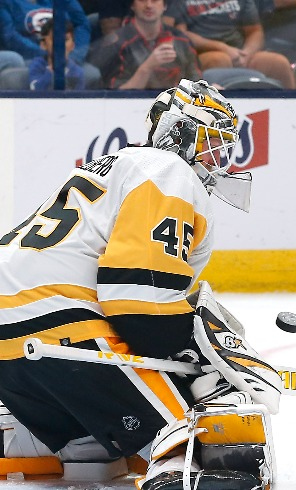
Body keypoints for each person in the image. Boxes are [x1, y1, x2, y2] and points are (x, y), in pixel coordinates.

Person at [0, 79, 280, 489]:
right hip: (61, 326)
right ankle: (176, 462)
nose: (216, 160)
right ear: (178, 133)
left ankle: (71, 443)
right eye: (209, 143)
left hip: (11, 342)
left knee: (91, 443)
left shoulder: (110, 167)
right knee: (198, 434)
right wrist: (200, 355)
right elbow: (138, 296)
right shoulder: (169, 171)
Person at [164, 0, 296, 89]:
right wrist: (222, 48)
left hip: (240, 52)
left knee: (279, 63)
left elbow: (255, 31)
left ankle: (292, 114)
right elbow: (179, 33)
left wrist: (246, 53)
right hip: (201, 52)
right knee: (220, 59)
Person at [89, 0, 201, 89]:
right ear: (132, 5)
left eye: (155, 0)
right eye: (142, 0)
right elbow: (113, 97)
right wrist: (147, 68)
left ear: (164, 6)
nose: (148, 5)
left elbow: (195, 83)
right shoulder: (116, 44)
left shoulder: (181, 41)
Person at [0, 0, 102, 89]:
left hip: (70, 56)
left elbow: (82, 24)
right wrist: (49, 54)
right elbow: (10, 35)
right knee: (13, 74)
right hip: (30, 58)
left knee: (93, 74)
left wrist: (74, 54)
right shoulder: (6, 2)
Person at [28, 17, 86, 90]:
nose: (60, 44)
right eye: (54, 39)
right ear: (43, 44)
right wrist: (51, 70)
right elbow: (35, 90)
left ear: (72, 46)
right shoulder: (37, 65)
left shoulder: (78, 71)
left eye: (65, 39)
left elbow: (79, 98)